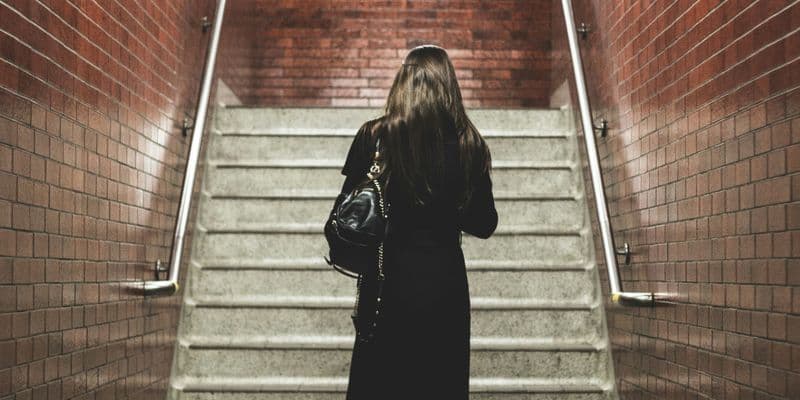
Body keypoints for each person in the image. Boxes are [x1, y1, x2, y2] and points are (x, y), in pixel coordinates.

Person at [339, 44, 498, 400]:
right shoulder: (468, 143)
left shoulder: (374, 136)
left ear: (402, 81)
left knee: (378, 383)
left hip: (385, 283)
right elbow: (484, 223)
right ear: (449, 85)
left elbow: (346, 213)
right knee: (439, 381)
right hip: (444, 285)